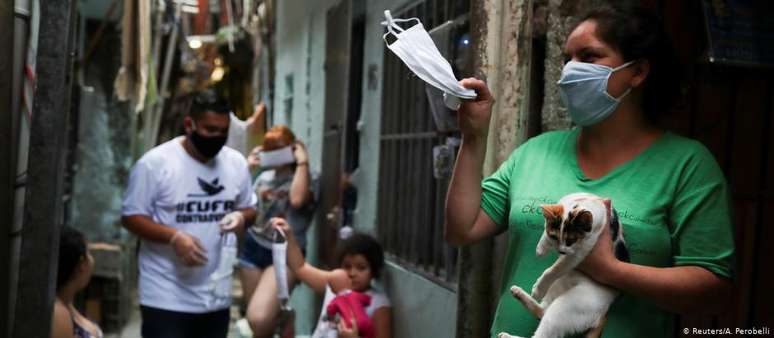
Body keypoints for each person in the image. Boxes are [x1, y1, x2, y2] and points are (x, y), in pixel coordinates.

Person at [444, 2, 735, 337]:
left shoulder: (687, 166)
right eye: (567, 59)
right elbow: (461, 230)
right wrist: (474, 137)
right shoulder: (535, 153)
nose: (570, 70)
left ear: (637, 72)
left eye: (589, 56)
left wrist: (609, 270)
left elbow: (713, 290)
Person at [121, 90, 257, 338]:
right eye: (209, 130)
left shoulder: (236, 164)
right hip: (165, 294)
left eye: (222, 132)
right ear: (189, 125)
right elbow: (131, 217)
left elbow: (250, 209)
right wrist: (174, 236)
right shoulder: (155, 164)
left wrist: (241, 218)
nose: (216, 137)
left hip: (216, 295)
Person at [239, 125, 319, 337]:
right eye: (271, 149)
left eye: (281, 149)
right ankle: (283, 317)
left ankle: (284, 316)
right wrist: (247, 168)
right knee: (258, 326)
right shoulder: (264, 177)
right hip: (253, 247)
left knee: (259, 318)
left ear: (293, 148)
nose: (276, 154)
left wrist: (302, 162)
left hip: (286, 254)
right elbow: (238, 203)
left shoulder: (309, 178)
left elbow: (297, 199)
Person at [271, 218, 392, 338]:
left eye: (361, 268)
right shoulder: (339, 283)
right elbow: (300, 268)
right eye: (347, 266)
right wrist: (289, 237)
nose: (352, 273)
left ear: (373, 270)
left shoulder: (379, 304)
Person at [50, 226, 103, 338]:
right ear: (81, 266)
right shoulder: (58, 314)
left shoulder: (66, 306)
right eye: (89, 252)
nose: (92, 260)